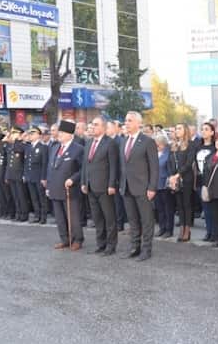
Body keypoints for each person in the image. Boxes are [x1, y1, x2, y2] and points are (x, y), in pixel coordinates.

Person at [119, 111, 159, 262]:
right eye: (126, 120)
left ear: (138, 123)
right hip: (126, 187)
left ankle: (146, 249)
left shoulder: (147, 141)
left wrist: (152, 187)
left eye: (130, 120)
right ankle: (135, 247)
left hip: (143, 188)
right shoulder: (124, 141)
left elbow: (154, 167)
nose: (126, 123)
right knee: (133, 220)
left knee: (146, 220)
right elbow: (123, 165)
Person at [81, 116, 119, 255]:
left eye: (96, 124)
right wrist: (84, 182)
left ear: (103, 127)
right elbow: (85, 165)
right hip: (91, 186)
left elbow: (114, 166)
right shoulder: (89, 142)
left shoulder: (110, 143)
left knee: (109, 218)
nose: (93, 127)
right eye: (92, 124)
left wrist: (112, 184)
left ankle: (111, 246)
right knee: (97, 218)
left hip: (104, 187)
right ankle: (101, 244)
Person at [46, 120, 85, 251]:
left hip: (70, 189)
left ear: (70, 134)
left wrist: (73, 179)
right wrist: (48, 186)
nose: (59, 134)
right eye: (59, 132)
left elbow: (83, 169)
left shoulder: (78, 149)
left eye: (62, 132)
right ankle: (65, 239)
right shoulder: (55, 147)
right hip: (55, 187)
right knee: (59, 217)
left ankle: (77, 239)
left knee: (73, 217)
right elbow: (50, 168)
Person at [167, 123, 196, 242]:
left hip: (186, 178)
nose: (177, 130)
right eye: (176, 129)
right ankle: (182, 228)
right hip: (175, 179)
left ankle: (187, 229)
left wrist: (178, 175)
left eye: (179, 128)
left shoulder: (191, 144)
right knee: (179, 205)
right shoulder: (173, 145)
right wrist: (172, 176)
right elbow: (169, 162)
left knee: (186, 204)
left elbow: (189, 163)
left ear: (185, 130)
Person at [3, 127, 29, 222]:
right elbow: (8, 162)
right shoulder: (11, 145)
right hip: (11, 174)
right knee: (15, 196)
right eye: (12, 134)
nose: (12, 135)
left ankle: (24, 214)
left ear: (19, 134)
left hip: (19, 174)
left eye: (14, 133)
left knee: (21, 196)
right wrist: (7, 175)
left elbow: (19, 151)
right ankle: (18, 213)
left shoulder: (23, 145)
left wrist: (18, 139)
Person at [24, 126, 49, 224]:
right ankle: (37, 215)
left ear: (39, 135)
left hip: (39, 177)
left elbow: (44, 163)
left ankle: (43, 216)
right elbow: (26, 163)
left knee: (41, 198)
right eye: (30, 134)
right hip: (30, 176)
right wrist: (25, 175)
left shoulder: (43, 147)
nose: (30, 136)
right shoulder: (28, 147)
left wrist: (44, 177)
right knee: (34, 198)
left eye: (33, 134)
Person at [196, 123, 216, 241]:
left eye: (206, 129)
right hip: (201, 180)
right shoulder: (198, 147)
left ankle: (214, 232)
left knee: (213, 208)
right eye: (202, 129)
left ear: (212, 132)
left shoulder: (214, 147)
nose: (203, 131)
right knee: (206, 208)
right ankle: (208, 231)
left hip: (212, 181)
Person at [154, 133, 175, 238]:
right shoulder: (155, 154)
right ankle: (162, 228)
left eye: (158, 144)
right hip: (156, 185)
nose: (156, 146)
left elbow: (171, 170)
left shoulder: (169, 154)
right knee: (160, 208)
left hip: (165, 185)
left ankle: (169, 229)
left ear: (163, 144)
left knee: (168, 209)